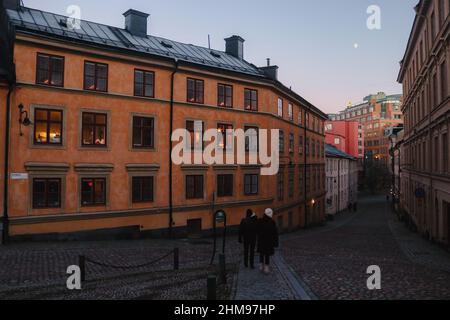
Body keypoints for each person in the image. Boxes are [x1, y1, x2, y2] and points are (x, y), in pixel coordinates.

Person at [257, 208, 279, 275]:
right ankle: (266, 267)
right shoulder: (272, 222)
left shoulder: (260, 221)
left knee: (261, 253)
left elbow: (257, 231)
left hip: (261, 240)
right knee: (267, 254)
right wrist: (275, 243)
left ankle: (261, 265)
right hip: (268, 241)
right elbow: (275, 233)